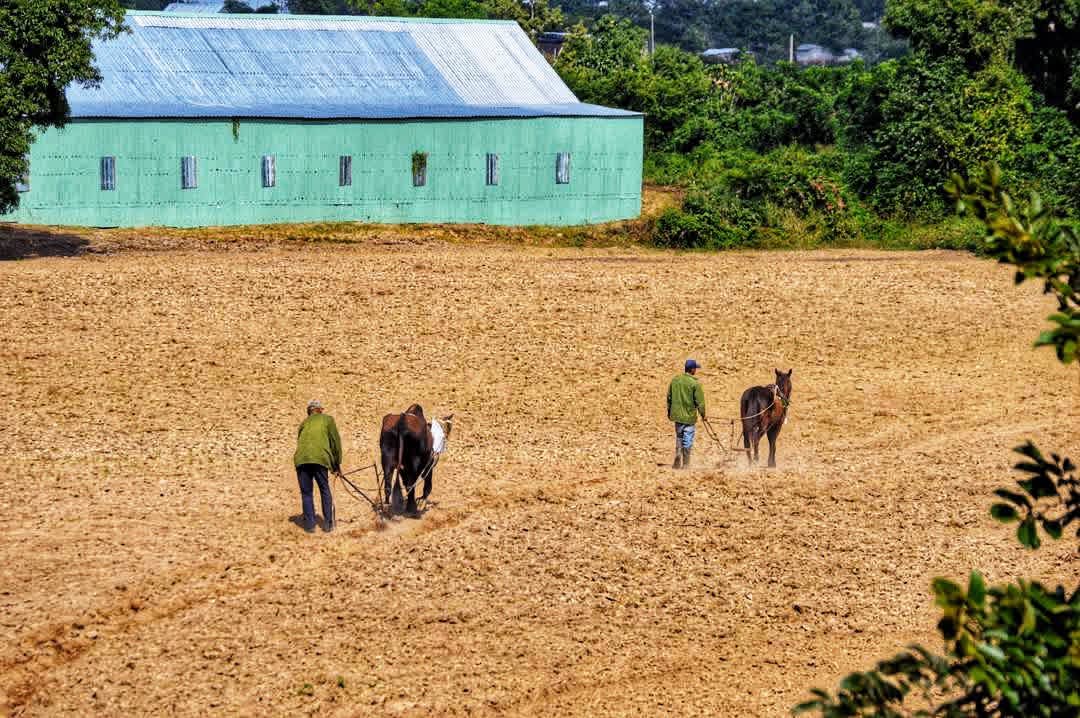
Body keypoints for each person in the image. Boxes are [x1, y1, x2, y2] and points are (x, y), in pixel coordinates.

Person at [293, 400, 342, 533]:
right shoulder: (327, 420)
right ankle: (328, 524)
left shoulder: (303, 423)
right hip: (319, 458)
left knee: (306, 493)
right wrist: (336, 465)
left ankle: (310, 526)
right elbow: (335, 443)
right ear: (320, 410)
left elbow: (301, 442)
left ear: (309, 411)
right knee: (324, 489)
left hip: (301, 460)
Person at [667, 359, 706, 469]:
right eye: (695, 369)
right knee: (687, 439)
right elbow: (700, 402)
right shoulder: (694, 383)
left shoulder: (675, 380)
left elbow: (669, 397)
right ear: (692, 369)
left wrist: (670, 412)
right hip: (689, 417)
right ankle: (686, 463)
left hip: (677, 416)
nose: (696, 371)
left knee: (679, 437)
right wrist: (703, 415)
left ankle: (678, 455)